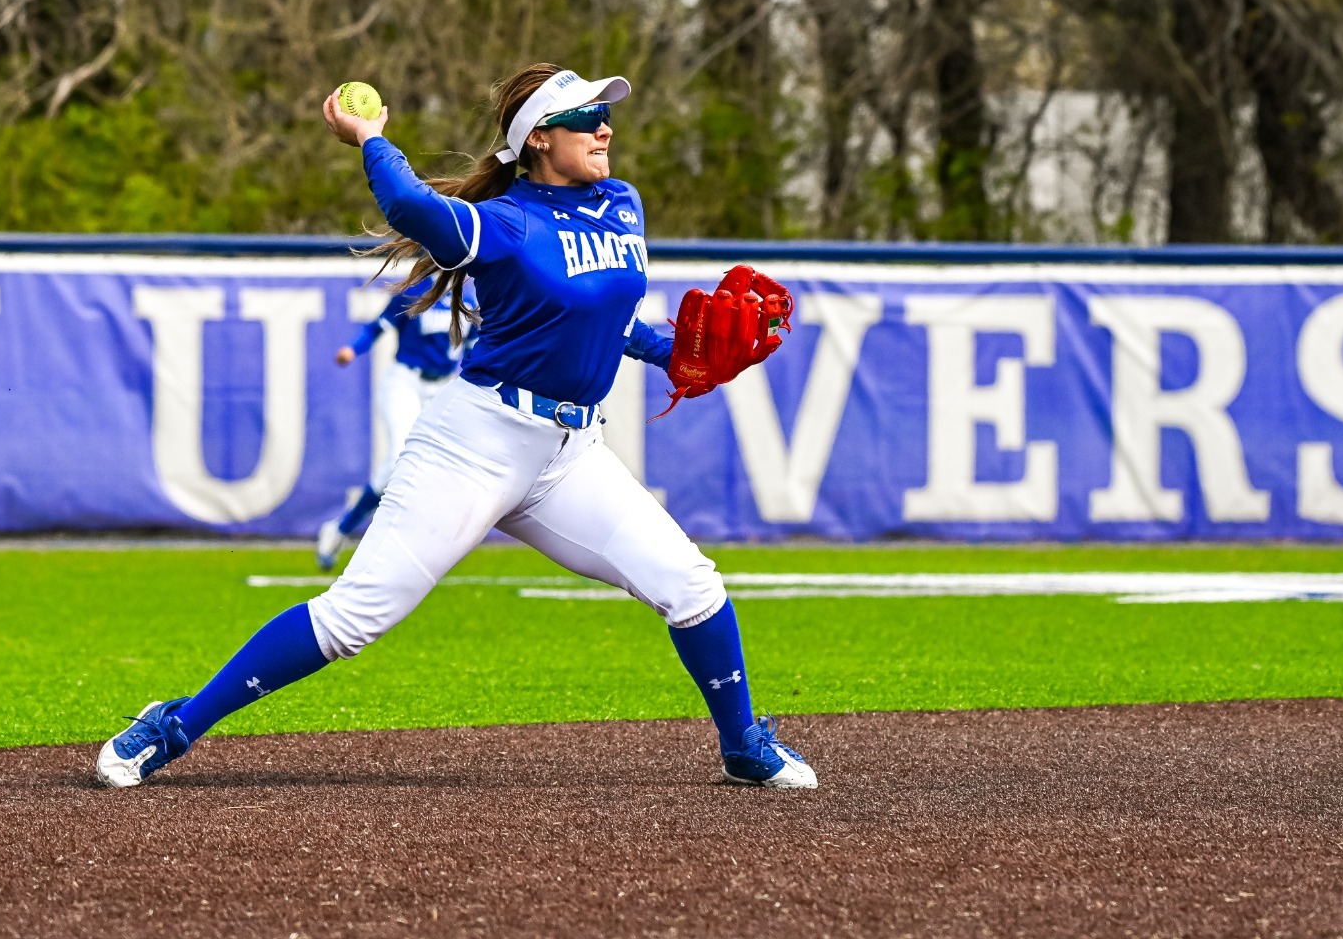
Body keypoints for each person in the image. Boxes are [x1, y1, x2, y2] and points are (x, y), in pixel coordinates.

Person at [96, 63, 816, 790]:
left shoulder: (622, 203)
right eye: (585, 117)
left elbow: (611, 314)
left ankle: (744, 744)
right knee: (354, 618)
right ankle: (175, 722)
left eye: (606, 115)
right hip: (478, 441)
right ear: (539, 138)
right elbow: (410, 205)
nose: (604, 128)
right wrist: (372, 138)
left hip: (571, 454)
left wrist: (676, 353)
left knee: (693, 586)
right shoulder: (504, 223)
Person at [314, 274, 468, 571]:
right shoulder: (415, 292)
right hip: (405, 382)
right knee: (400, 457)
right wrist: (352, 349)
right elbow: (377, 327)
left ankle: (353, 532)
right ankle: (344, 530)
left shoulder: (470, 297)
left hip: (444, 386)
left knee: (440, 466)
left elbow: (475, 349)